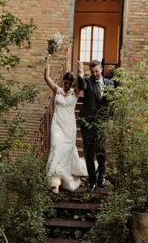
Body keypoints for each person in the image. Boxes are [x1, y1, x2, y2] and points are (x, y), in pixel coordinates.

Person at [44, 54, 83, 193]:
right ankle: (54, 182)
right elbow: (47, 78)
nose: (66, 85)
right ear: (63, 81)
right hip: (57, 124)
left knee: (65, 152)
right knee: (55, 148)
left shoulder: (75, 93)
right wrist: (48, 62)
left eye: (69, 83)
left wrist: (80, 71)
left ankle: (62, 178)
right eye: (65, 82)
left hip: (69, 126)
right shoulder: (57, 90)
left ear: (72, 84)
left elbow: (80, 83)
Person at [77, 59, 113, 193]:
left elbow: (111, 103)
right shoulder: (87, 81)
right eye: (92, 72)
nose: (94, 74)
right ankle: (92, 182)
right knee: (88, 153)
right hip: (88, 123)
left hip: (101, 122)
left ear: (101, 70)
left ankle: (101, 176)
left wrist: (109, 118)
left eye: (97, 71)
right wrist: (80, 72)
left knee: (101, 149)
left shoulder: (110, 84)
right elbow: (81, 85)